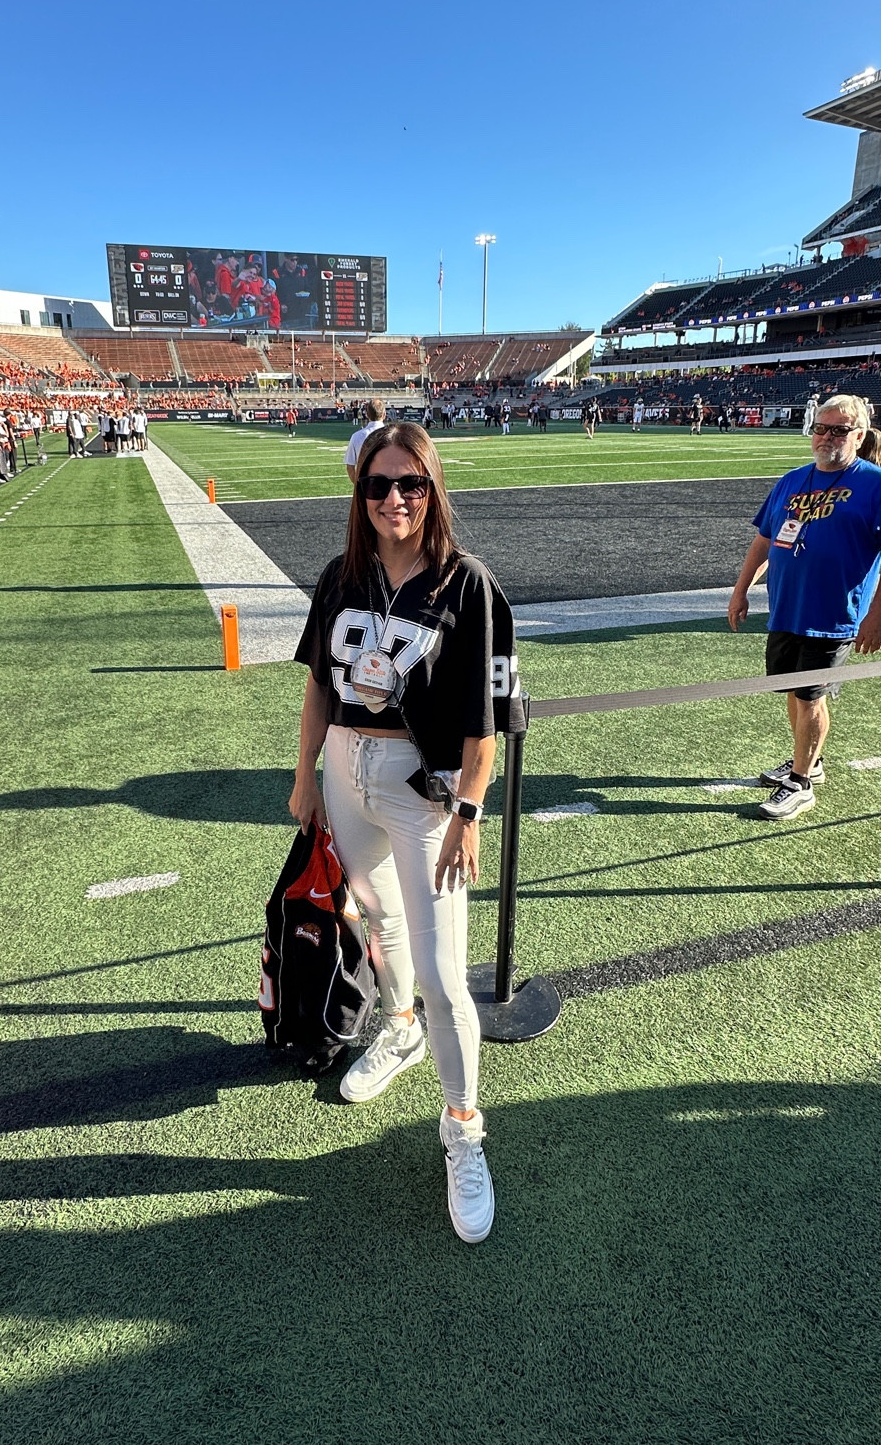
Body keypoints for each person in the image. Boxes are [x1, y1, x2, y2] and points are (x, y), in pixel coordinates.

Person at [290, 421, 521, 1244]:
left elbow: (487, 722)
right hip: (347, 770)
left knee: (444, 971)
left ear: (433, 488)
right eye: (380, 486)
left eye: (411, 485)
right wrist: (305, 775)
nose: (395, 499)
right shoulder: (339, 574)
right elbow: (320, 684)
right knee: (374, 919)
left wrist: (469, 811)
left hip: (427, 790)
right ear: (360, 493)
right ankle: (398, 1028)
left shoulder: (469, 584)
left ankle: (463, 1129)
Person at [726, 393, 881, 822]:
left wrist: (879, 612)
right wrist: (741, 590)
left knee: (811, 695)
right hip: (788, 607)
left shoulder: (878, 484)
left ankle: (801, 783)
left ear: (859, 435)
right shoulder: (792, 480)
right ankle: (808, 761)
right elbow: (765, 540)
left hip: (836, 614)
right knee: (795, 690)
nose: (827, 437)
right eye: (821, 428)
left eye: (839, 430)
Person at [344, 399, 387, 484]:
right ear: (384, 414)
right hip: (388, 487)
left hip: (366, 485)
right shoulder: (393, 435)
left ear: (367, 414)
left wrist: (359, 486)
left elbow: (350, 466)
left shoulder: (356, 436)